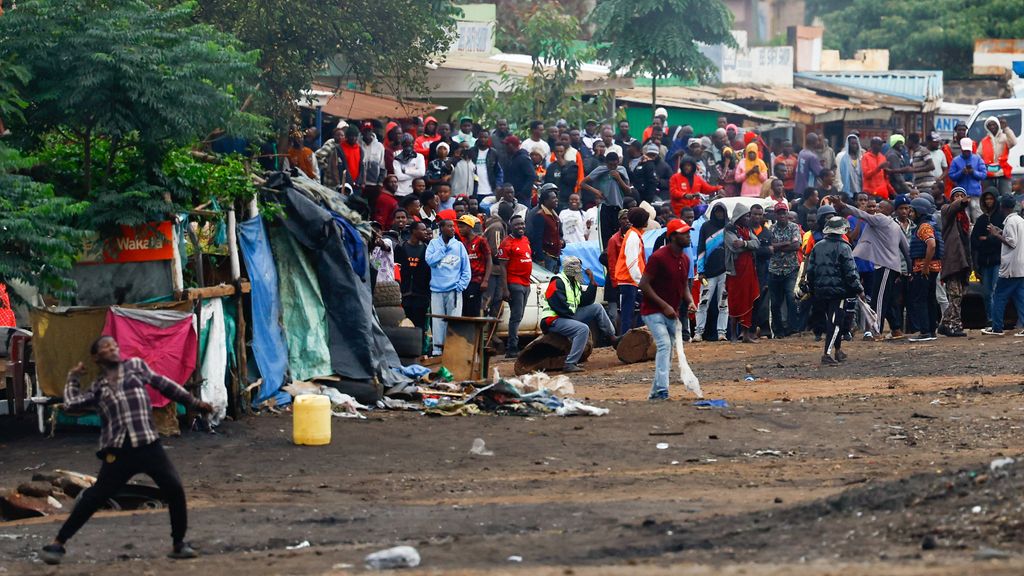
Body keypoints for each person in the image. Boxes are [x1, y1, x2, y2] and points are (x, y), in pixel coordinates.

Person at [41, 336, 215, 565]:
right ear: (96, 358)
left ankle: (178, 544)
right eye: (105, 347)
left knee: (174, 489)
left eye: (114, 345)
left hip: (148, 445)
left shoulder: (135, 367)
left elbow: (165, 385)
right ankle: (58, 543)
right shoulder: (98, 388)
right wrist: (73, 378)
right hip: (119, 452)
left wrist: (194, 403)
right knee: (94, 498)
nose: (112, 348)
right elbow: (72, 404)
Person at [639, 219, 697, 399]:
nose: (688, 236)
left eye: (688, 232)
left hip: (671, 312)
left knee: (669, 348)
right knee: (665, 345)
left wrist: (690, 301)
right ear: (672, 237)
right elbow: (644, 285)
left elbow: (684, 286)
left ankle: (655, 393)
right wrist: (664, 306)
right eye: (684, 233)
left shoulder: (685, 259)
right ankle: (663, 390)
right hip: (652, 310)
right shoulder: (658, 257)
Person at [539, 256, 618, 373]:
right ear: (569, 268)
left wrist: (592, 282)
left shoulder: (574, 283)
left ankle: (612, 337)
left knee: (597, 307)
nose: (579, 270)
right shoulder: (558, 281)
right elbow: (558, 305)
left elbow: (586, 301)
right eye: (577, 267)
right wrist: (573, 319)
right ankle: (570, 363)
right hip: (553, 320)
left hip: (567, 316)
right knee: (582, 329)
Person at [805, 217, 863, 365]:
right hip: (839, 292)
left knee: (831, 321)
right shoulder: (844, 247)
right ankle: (827, 353)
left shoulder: (818, 246)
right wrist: (859, 289)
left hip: (820, 291)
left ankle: (838, 351)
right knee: (836, 323)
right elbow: (851, 272)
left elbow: (810, 271)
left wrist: (810, 288)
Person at [425, 216, 471, 356]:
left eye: (453, 226)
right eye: (449, 226)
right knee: (438, 321)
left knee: (454, 321)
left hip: (454, 290)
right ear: (441, 228)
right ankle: (438, 351)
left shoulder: (459, 246)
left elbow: (466, 269)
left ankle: (453, 351)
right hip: (437, 290)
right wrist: (444, 249)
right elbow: (430, 261)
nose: (452, 229)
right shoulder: (433, 244)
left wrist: (460, 286)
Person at [982, 196, 1024, 336]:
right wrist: (1001, 231)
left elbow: (1011, 242)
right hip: (1020, 266)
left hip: (1011, 268)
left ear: (1002, 207)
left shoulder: (1011, 222)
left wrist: (995, 234)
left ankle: (997, 327)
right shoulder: (1019, 220)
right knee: (1020, 297)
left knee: (999, 296)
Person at [907, 198, 943, 342]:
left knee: (920, 299)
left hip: (924, 269)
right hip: (931, 268)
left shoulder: (924, 227)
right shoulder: (930, 225)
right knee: (929, 299)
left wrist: (925, 266)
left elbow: (931, 245)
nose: (910, 213)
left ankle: (924, 331)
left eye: (912, 210)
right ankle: (930, 330)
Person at [724, 203, 760, 343]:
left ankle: (745, 334)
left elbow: (756, 244)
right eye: (746, 216)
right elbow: (734, 247)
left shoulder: (747, 229)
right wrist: (748, 244)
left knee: (748, 299)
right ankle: (733, 334)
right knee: (735, 301)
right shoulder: (729, 230)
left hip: (749, 269)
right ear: (739, 217)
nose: (748, 218)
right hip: (735, 271)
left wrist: (745, 244)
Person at [938, 187, 972, 337]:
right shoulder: (946, 211)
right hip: (952, 262)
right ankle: (954, 326)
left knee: (959, 296)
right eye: (956, 196)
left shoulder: (965, 218)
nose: (958, 198)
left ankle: (944, 324)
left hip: (963, 261)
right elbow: (951, 209)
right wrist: (961, 202)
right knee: (955, 296)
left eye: (961, 195)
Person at [498, 215, 532, 357]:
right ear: (511, 226)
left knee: (520, 315)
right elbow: (502, 267)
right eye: (517, 225)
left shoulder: (525, 240)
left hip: (526, 283)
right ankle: (512, 348)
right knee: (516, 316)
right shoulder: (506, 243)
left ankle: (513, 346)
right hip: (515, 283)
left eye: (522, 224)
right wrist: (505, 289)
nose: (521, 227)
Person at [694, 203, 730, 341]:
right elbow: (701, 249)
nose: (719, 214)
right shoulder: (706, 227)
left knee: (723, 302)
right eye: (717, 212)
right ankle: (698, 332)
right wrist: (701, 270)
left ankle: (722, 332)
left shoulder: (729, 227)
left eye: (722, 212)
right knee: (703, 301)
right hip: (708, 273)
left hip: (725, 271)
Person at [766, 203, 801, 337]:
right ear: (775, 215)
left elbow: (796, 246)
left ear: (787, 214)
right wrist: (786, 243)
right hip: (774, 269)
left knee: (791, 298)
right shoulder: (771, 229)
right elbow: (769, 247)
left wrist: (777, 246)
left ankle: (792, 328)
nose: (782, 215)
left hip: (790, 269)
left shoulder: (794, 227)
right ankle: (778, 330)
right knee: (775, 303)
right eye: (779, 213)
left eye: (784, 213)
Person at [613, 207, 648, 336]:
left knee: (629, 312)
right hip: (629, 280)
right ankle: (625, 339)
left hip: (629, 280)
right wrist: (641, 282)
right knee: (628, 313)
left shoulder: (633, 235)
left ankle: (632, 336)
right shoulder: (633, 236)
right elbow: (632, 263)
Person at [971, 189, 1004, 326]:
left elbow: (1004, 239)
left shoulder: (1001, 218)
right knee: (986, 293)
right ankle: (990, 318)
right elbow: (974, 240)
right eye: (986, 199)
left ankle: (997, 320)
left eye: (991, 199)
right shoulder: (981, 220)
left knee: (996, 291)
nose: (988, 201)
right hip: (984, 262)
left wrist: (988, 239)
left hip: (998, 260)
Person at [396, 221, 433, 331]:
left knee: (420, 327)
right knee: (405, 325)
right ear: (413, 231)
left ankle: (420, 347)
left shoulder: (427, 250)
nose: (425, 232)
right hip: (405, 295)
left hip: (421, 295)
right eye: (422, 230)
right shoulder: (401, 248)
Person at [457, 215, 491, 317]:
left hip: (477, 281)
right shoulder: (462, 243)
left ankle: (475, 333)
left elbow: (489, 260)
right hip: (465, 282)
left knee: (474, 311)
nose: (459, 229)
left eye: (462, 227)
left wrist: (485, 280)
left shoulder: (481, 241)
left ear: (469, 227)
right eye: (459, 227)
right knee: (464, 311)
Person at [948, 136, 987, 221]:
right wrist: (961, 172)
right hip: (961, 195)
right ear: (961, 149)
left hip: (975, 194)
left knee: (978, 216)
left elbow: (984, 174)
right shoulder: (956, 160)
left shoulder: (977, 159)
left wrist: (973, 172)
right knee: (964, 218)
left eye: (968, 151)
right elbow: (951, 175)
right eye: (965, 150)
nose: (966, 152)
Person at [526, 186, 563, 271]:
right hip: (546, 258)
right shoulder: (539, 215)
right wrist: (540, 259)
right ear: (546, 201)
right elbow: (537, 238)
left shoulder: (554, 214)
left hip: (555, 257)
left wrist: (561, 241)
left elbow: (559, 233)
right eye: (553, 198)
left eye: (556, 197)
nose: (556, 200)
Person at [979, 116, 1016, 196]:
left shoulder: (1005, 137)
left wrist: (1006, 128)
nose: (992, 127)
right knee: (989, 197)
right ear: (987, 127)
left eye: (994, 124)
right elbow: (978, 155)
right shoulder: (984, 141)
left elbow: (1013, 142)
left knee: (1005, 196)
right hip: (988, 173)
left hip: (1003, 172)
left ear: (998, 125)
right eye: (990, 125)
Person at [466, 129, 501, 200]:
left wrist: (498, 185)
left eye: (485, 137)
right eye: (481, 137)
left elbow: (498, 171)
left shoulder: (493, 153)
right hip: (474, 190)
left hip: (490, 190)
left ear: (488, 139)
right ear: (478, 138)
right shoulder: (471, 151)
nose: (483, 139)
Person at [503, 136, 537, 208]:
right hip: (511, 196)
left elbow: (532, 176)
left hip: (522, 198)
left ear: (512, 145)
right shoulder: (510, 158)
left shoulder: (523, 158)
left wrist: (523, 193)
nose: (505, 147)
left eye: (507, 145)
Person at [544, 142, 580, 208]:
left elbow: (571, 182)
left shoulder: (572, 165)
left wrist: (563, 166)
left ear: (565, 151)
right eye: (557, 152)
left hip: (566, 200)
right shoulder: (551, 167)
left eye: (561, 151)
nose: (559, 154)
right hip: (553, 200)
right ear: (554, 152)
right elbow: (548, 183)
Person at [941, 122, 972, 197]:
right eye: (959, 130)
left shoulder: (971, 144)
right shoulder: (948, 146)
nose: (962, 132)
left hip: (969, 176)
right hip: (953, 177)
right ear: (956, 131)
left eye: (964, 130)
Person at [794, 133, 824, 200]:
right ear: (814, 142)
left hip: (798, 188)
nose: (819, 142)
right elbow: (819, 173)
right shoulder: (812, 156)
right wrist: (822, 166)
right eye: (818, 140)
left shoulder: (802, 152)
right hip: (808, 190)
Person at [835, 133, 862, 200]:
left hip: (859, 192)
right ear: (848, 144)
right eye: (852, 144)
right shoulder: (841, 157)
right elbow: (837, 174)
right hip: (846, 192)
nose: (855, 146)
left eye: (856, 144)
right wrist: (840, 188)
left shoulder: (861, 158)